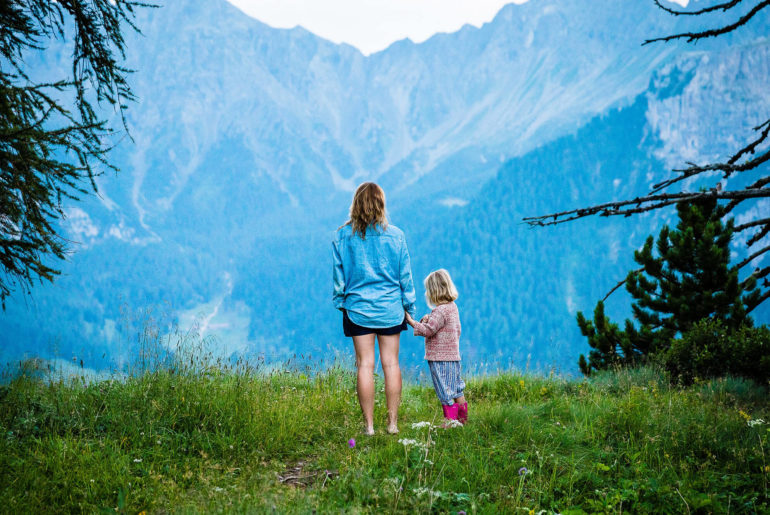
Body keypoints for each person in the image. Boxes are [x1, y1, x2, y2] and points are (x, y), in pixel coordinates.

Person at [333, 182, 417, 435]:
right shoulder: (396, 236)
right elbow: (406, 277)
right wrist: (409, 307)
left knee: (364, 365)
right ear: (381, 204)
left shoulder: (342, 236)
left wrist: (341, 302)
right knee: (391, 364)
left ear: (356, 204)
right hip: (391, 309)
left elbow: (339, 277)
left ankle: (369, 427)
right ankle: (392, 424)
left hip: (358, 309)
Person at [404, 269, 467, 425]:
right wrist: (429, 318)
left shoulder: (440, 311)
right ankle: (463, 420)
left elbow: (429, 330)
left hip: (439, 359)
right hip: (453, 357)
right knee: (457, 388)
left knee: (444, 391)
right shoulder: (452, 307)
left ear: (434, 291)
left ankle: (450, 422)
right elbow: (454, 328)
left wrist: (411, 321)